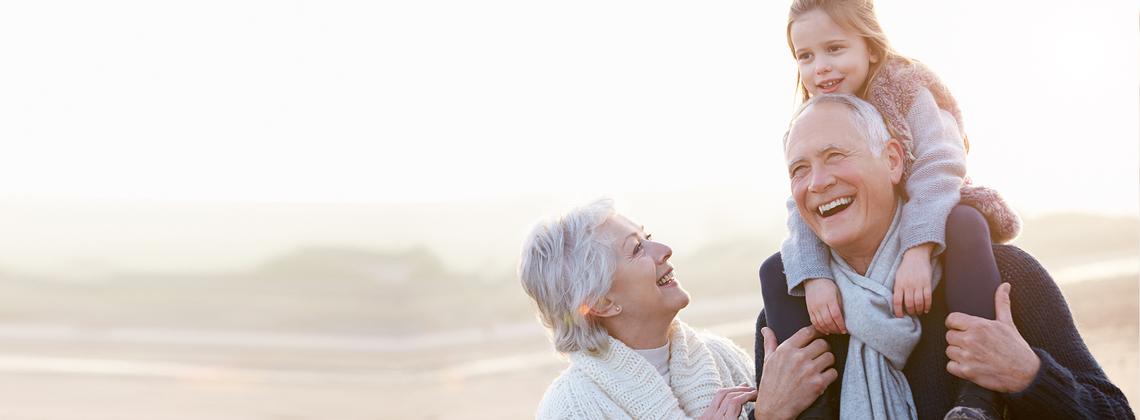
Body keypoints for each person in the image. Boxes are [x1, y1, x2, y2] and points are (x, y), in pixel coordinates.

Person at [755, 94, 1133, 419]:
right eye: (799, 170)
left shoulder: (1003, 276)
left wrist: (1029, 376)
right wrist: (768, 415)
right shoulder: (788, 318)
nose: (817, 182)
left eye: (835, 155)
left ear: (892, 160)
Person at [770, 0, 1018, 418]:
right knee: (774, 271)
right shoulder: (811, 120)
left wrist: (918, 250)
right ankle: (812, 408)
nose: (821, 68)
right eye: (806, 57)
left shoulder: (906, 88)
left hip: (934, 207)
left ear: (870, 47)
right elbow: (802, 210)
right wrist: (813, 277)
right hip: (864, 238)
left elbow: (940, 166)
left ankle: (977, 400)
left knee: (965, 222)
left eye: (835, 49)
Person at [520, 199, 838, 419]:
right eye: (636, 249)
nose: (664, 250)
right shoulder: (570, 409)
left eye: (649, 237)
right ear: (601, 302)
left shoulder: (720, 356)